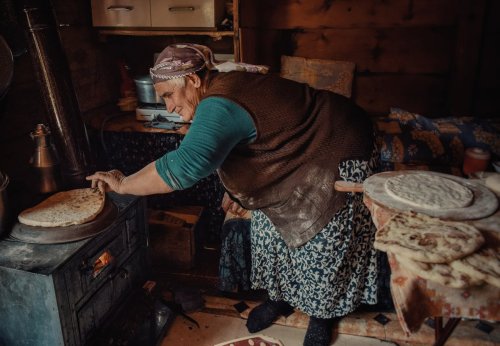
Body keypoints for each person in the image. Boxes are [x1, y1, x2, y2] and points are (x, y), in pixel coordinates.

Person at [87, 43, 379, 346]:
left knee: (323, 240)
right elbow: (244, 145)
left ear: (194, 80)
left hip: (335, 140)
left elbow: (185, 166)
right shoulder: (217, 90)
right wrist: (237, 192)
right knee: (270, 234)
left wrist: (122, 184)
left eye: (169, 96)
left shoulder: (219, 103)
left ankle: (322, 315)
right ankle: (279, 299)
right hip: (292, 157)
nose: (169, 107)